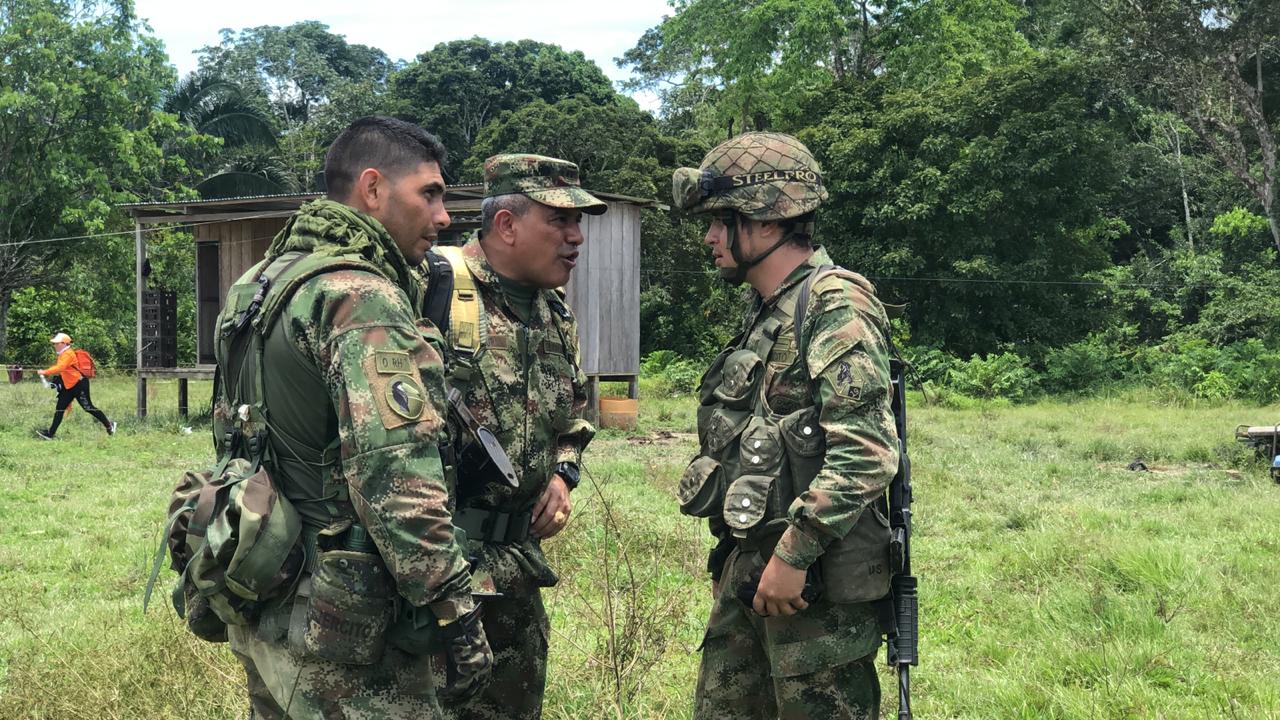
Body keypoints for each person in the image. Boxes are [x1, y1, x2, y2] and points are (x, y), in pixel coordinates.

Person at [216, 116, 490, 719]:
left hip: (264, 585)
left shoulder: (257, 284)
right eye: (431, 193)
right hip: (343, 623)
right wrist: (455, 608)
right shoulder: (360, 295)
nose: (445, 217)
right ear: (373, 188)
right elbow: (396, 474)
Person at [671, 132, 900, 719]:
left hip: (811, 584)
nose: (710, 237)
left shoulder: (833, 304)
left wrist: (793, 556)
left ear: (767, 223)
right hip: (753, 565)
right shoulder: (771, 309)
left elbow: (867, 451)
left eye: (721, 221)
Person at [426, 154, 600, 720]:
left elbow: (575, 411)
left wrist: (563, 473)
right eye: (560, 221)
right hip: (440, 576)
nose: (576, 238)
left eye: (579, 224)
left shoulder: (554, 311)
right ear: (506, 225)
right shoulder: (434, 287)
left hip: (516, 572)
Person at [35, 332, 115, 439]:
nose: (54, 345)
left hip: (79, 384)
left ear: (64, 343)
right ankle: (50, 434)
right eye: (54, 343)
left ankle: (109, 425)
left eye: (56, 343)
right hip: (68, 387)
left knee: (88, 408)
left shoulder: (68, 354)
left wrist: (45, 372)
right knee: (59, 409)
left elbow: (61, 367)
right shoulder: (63, 354)